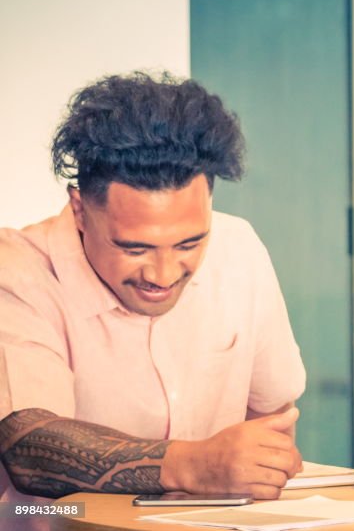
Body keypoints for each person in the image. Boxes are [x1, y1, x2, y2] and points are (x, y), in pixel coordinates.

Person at [0, 73, 307, 519]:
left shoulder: (238, 247)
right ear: (81, 210)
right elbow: (28, 446)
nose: (163, 275)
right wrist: (192, 465)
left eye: (188, 244)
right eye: (134, 248)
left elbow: (272, 415)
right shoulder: (18, 269)